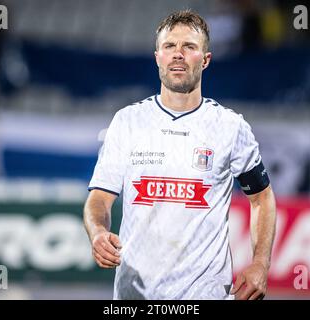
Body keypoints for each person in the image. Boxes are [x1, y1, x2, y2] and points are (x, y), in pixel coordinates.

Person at [84, 9, 276, 300]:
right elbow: (99, 198)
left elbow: (262, 197)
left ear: (206, 59)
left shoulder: (230, 127)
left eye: (189, 47)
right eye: (169, 46)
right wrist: (98, 232)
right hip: (134, 296)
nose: (178, 54)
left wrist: (261, 263)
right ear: (157, 57)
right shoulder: (128, 122)